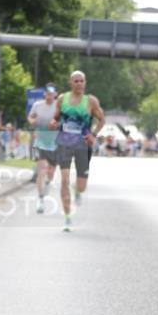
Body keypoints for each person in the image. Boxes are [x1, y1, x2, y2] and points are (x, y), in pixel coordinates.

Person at [49, 70, 105, 231]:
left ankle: (78, 191)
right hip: (64, 143)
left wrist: (93, 134)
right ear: (70, 83)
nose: (79, 84)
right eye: (76, 81)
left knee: (82, 185)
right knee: (64, 179)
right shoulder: (62, 99)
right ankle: (67, 216)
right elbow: (56, 117)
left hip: (83, 145)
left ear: (85, 82)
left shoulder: (91, 101)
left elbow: (101, 120)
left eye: (82, 81)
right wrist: (53, 122)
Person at [28, 83, 59, 213]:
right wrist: (32, 121)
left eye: (52, 93)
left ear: (55, 94)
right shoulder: (37, 105)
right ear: (44, 94)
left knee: (50, 173)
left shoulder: (59, 106)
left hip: (55, 142)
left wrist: (56, 124)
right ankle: (40, 200)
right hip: (40, 141)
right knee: (41, 171)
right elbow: (30, 117)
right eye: (47, 93)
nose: (49, 95)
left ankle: (47, 185)